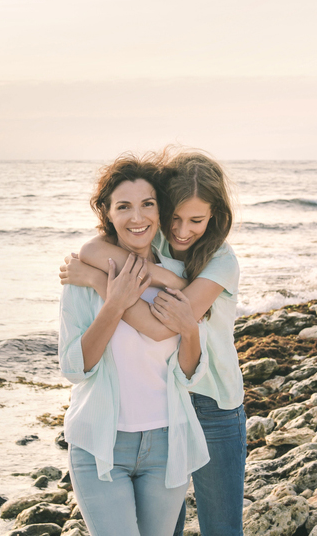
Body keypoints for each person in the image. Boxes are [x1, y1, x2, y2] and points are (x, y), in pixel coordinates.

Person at [60, 148, 245, 536]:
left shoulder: (219, 260)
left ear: (215, 216)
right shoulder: (156, 247)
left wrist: (102, 282)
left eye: (195, 219)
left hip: (211, 401)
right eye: (174, 217)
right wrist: (110, 280)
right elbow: (94, 248)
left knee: (221, 529)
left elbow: (163, 327)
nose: (181, 230)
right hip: (166, 406)